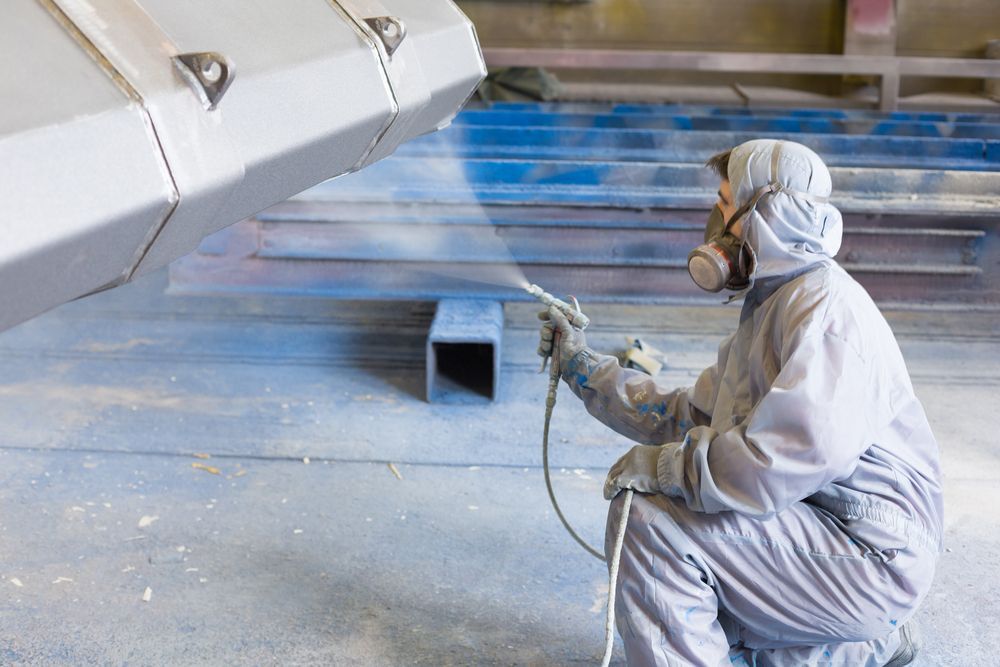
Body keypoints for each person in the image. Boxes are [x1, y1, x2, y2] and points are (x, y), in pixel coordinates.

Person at [538, 139, 942, 666]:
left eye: (726, 204)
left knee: (651, 521)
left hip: (869, 552)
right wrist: (587, 371)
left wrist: (666, 470)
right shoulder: (778, 300)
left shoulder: (823, 314)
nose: (715, 219)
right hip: (830, 531)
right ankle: (864, 647)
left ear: (765, 213)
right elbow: (692, 415)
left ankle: (858, 630)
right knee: (706, 615)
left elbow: (775, 464)